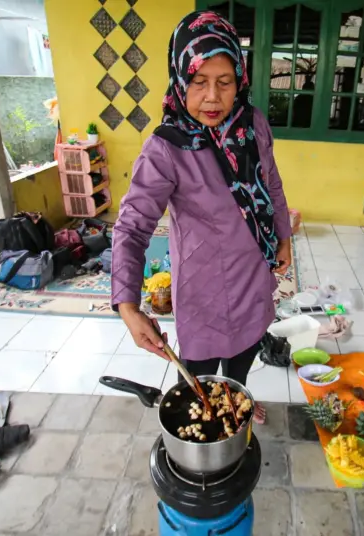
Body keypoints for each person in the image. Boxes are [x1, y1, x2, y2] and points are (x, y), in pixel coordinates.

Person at [111, 11, 292, 424]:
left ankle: (236, 397)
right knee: (200, 368)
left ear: (240, 80)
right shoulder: (166, 148)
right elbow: (133, 225)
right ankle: (213, 405)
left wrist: (282, 237)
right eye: (198, 81)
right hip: (202, 285)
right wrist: (127, 305)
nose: (213, 97)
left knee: (246, 345)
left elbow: (273, 184)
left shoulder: (253, 126)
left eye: (224, 82)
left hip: (253, 271)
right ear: (179, 79)